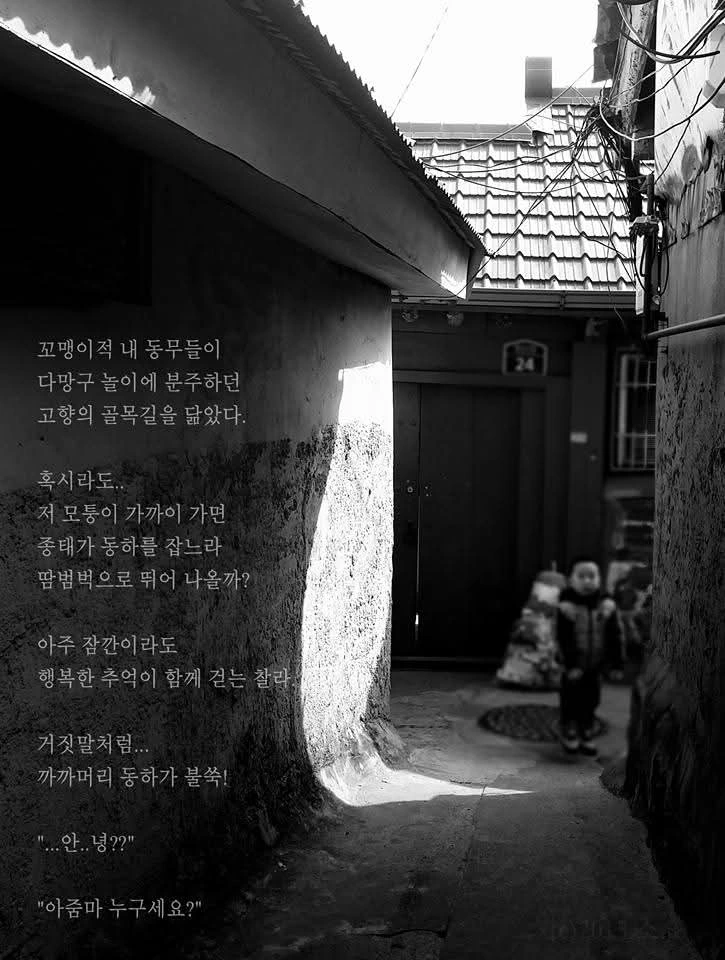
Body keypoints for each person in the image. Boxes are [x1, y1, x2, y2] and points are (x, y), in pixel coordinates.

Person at [556, 556, 624, 757]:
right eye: (581, 576)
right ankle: (569, 728)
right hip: (573, 666)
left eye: (592, 576)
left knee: (592, 698)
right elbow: (563, 638)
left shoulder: (606, 607)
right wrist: (571, 664)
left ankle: (586, 727)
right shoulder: (566, 608)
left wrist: (617, 663)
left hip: (595, 665)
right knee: (570, 698)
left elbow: (615, 635)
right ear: (570, 580)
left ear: (599, 579)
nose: (587, 581)